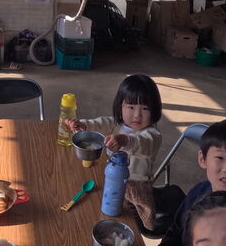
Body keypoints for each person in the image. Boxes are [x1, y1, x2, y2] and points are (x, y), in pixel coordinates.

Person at [66, 74, 162, 229]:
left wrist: (125, 140)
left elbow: (141, 143)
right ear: (120, 106)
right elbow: (100, 124)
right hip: (110, 180)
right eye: (131, 107)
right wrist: (83, 125)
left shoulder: (153, 135)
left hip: (135, 192)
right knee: (94, 212)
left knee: (125, 224)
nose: (137, 115)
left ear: (155, 110)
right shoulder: (115, 124)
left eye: (145, 108)